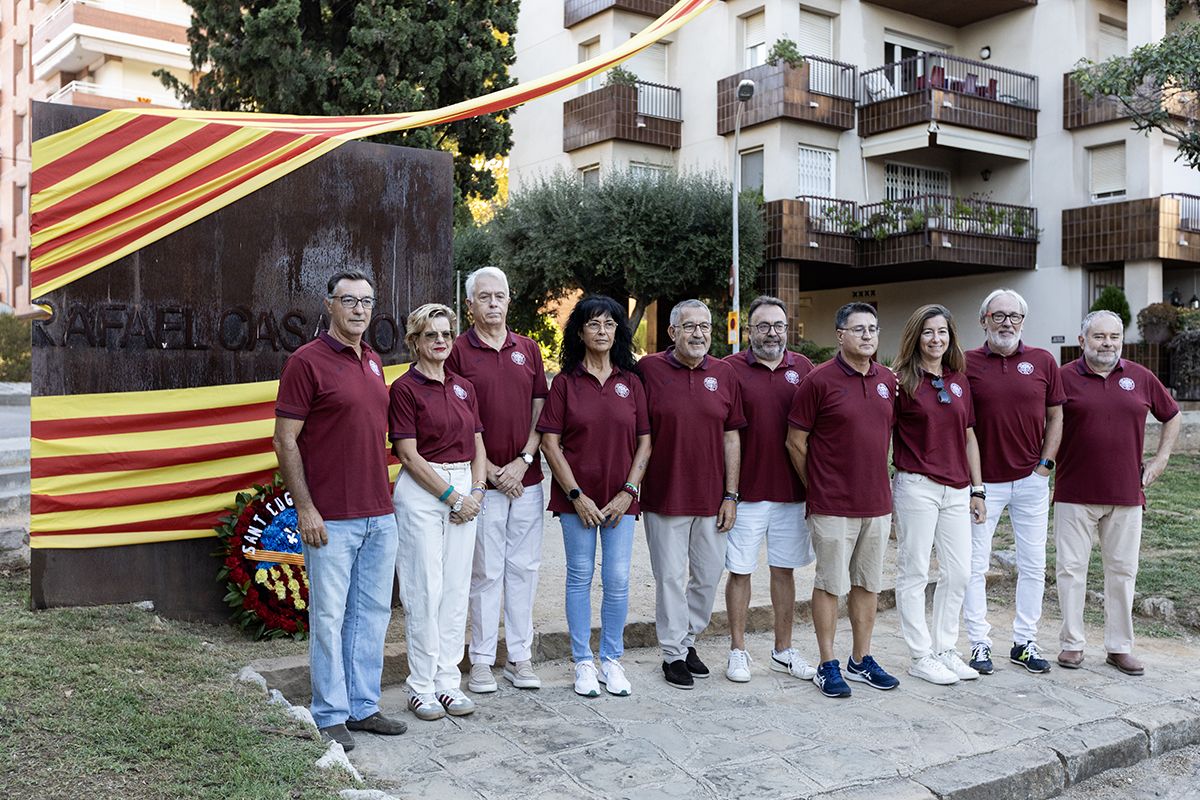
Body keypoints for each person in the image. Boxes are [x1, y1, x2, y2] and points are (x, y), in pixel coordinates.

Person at [273, 269, 406, 751]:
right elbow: (285, 440)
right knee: (329, 617)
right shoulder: (306, 362)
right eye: (349, 300)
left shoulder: (373, 360)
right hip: (330, 517)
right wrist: (304, 508)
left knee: (371, 614)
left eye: (367, 301)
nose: (359, 309)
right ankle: (329, 712)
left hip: (378, 513)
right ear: (329, 305)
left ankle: (363, 707)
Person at [537, 296, 652, 698]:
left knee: (617, 579)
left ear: (618, 330)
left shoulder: (632, 382)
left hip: (621, 499)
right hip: (576, 500)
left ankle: (612, 660)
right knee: (579, 578)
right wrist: (576, 496)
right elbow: (550, 445)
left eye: (609, 324)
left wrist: (628, 492)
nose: (602, 331)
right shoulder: (565, 383)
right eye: (593, 324)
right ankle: (583, 662)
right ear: (580, 332)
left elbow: (645, 443)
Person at [1054, 310, 1180, 676]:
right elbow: (1045, 421)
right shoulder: (1063, 379)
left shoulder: (1140, 377)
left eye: (1114, 337)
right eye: (1099, 337)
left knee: (1123, 572)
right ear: (1082, 341)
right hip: (1073, 491)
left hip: (1126, 493)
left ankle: (1119, 647)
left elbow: (1171, 415)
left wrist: (1161, 459)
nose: (1107, 343)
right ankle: (1072, 643)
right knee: (1070, 570)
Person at [787, 302, 900, 698]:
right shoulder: (819, 381)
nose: (867, 335)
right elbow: (795, 442)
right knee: (831, 585)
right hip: (832, 504)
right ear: (840, 336)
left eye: (872, 328)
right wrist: (816, 486)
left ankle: (861, 659)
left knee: (867, 585)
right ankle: (827, 663)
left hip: (876, 503)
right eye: (858, 329)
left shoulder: (888, 380)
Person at [448, 267, 549, 693]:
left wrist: (524, 460)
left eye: (500, 296)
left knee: (524, 569)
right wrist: (489, 470)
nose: (493, 303)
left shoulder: (527, 348)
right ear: (469, 305)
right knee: (486, 572)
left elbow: (541, 409)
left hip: (526, 478)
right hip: (482, 481)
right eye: (484, 297)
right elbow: (457, 418)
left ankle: (520, 658)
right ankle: (484, 661)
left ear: (510, 301)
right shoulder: (456, 351)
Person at [639, 299, 746, 690]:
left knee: (707, 575)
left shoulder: (725, 373)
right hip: (664, 495)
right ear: (672, 332)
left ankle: (687, 640)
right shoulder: (648, 369)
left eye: (704, 326)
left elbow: (731, 435)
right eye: (689, 327)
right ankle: (672, 654)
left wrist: (731, 495)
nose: (698, 333)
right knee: (669, 577)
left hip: (712, 497)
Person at [389, 303, 487, 720]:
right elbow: (407, 454)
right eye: (431, 335)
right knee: (424, 590)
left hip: (466, 486)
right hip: (425, 491)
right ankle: (421, 686)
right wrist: (452, 497)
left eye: (446, 334)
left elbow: (479, 444)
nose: (441, 341)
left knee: (454, 590)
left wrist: (478, 492)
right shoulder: (405, 389)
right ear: (415, 341)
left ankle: (448, 681)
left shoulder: (464, 387)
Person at [963, 289, 1064, 676]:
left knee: (1034, 564)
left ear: (1023, 321)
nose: (1007, 322)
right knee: (974, 566)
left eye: (1014, 316)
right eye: (998, 315)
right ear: (983, 319)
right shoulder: (965, 362)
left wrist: (1045, 465)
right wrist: (973, 482)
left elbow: (1056, 416)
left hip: (1030, 481)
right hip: (982, 484)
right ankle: (978, 644)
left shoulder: (1042, 361)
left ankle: (1024, 641)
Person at [722, 296, 818, 683]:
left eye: (778, 325)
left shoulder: (805, 369)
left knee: (785, 571)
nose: (772, 333)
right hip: (744, 494)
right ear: (749, 331)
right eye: (763, 326)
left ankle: (783, 650)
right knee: (740, 572)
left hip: (792, 494)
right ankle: (737, 650)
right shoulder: (730, 369)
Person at [890, 304, 987, 686]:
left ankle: (946, 648)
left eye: (942, 332)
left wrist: (977, 489)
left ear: (951, 337)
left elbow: (969, 436)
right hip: (917, 485)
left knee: (959, 572)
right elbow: (883, 434)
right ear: (917, 336)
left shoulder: (959, 379)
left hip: (957, 488)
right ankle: (920, 654)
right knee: (914, 571)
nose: (936, 339)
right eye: (929, 332)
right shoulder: (900, 382)